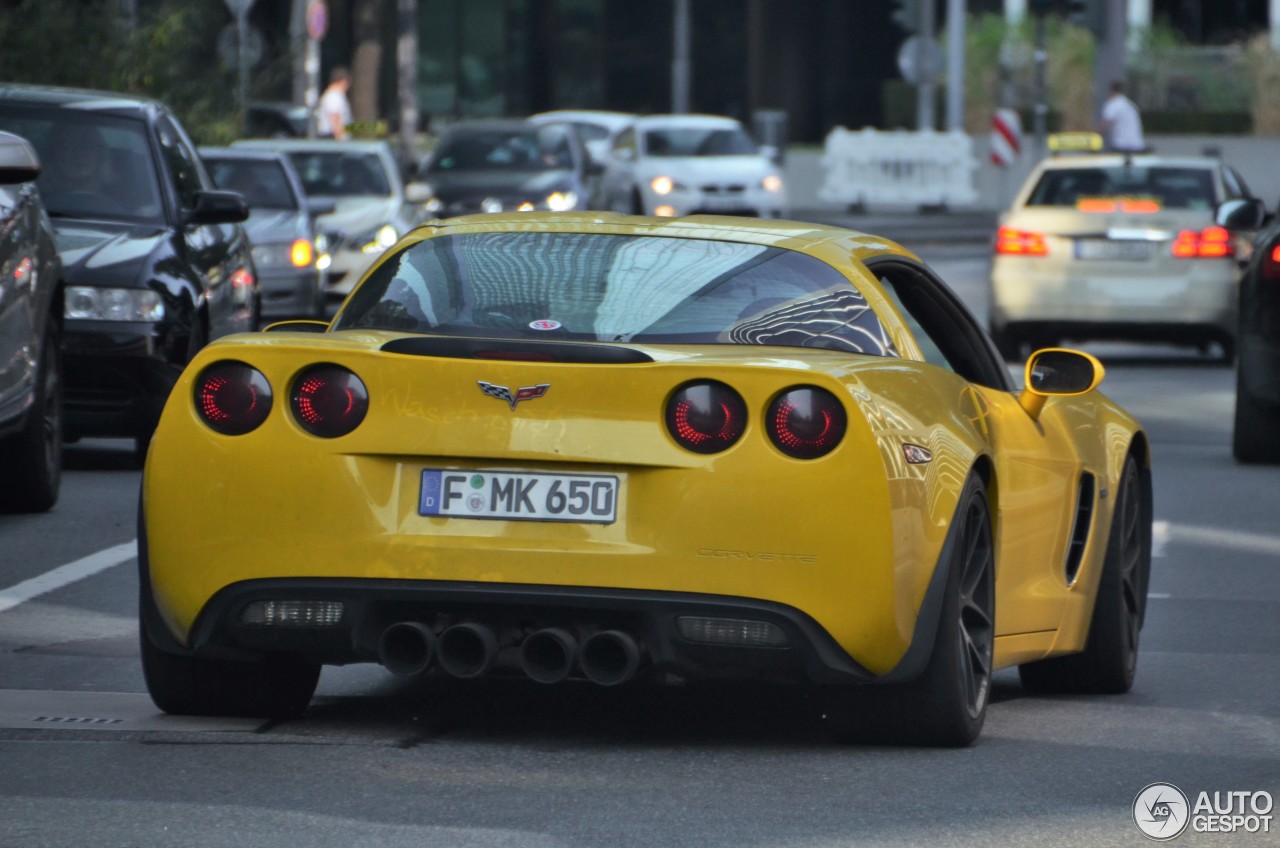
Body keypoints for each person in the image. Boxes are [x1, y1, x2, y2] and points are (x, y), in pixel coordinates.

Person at [1098, 80, 1145, 152]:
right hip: (1137, 145)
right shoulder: (1131, 105)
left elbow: (1105, 125)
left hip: (1121, 145)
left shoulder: (1113, 104)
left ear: (1111, 91)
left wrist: (1093, 136)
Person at [317, 67, 353, 140]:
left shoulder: (335, 96)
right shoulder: (334, 97)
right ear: (343, 81)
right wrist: (340, 141)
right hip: (332, 138)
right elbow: (335, 119)